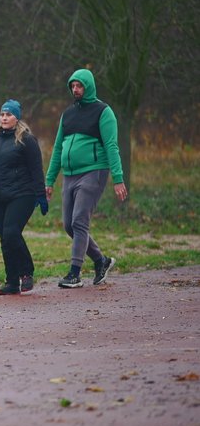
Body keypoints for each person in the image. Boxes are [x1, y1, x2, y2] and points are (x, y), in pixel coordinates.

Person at [46, 68, 128, 288]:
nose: (75, 89)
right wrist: (49, 180)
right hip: (70, 174)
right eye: (72, 86)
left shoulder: (103, 112)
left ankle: (75, 273)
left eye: (79, 86)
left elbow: (111, 146)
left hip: (94, 171)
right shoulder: (68, 114)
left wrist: (118, 178)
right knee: (68, 226)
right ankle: (101, 261)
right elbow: (57, 148)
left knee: (79, 220)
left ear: (88, 86)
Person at [0, 100, 47, 295]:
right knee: (5, 238)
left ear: (17, 117)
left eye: (9, 114)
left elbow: (36, 170)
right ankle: (12, 281)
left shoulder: (26, 140)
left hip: (22, 195)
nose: (4, 117)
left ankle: (27, 272)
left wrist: (41, 195)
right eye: (2, 114)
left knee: (12, 232)